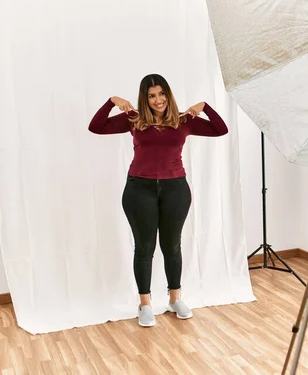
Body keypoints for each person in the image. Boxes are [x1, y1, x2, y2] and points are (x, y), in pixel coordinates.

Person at [88, 74, 228, 327]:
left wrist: (204, 107)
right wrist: (111, 101)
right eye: (151, 95)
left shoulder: (185, 121)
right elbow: (96, 127)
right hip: (139, 190)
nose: (158, 100)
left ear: (168, 94)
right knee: (145, 248)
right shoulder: (134, 119)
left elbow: (221, 130)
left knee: (172, 246)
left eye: (161, 94)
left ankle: (175, 298)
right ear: (145, 98)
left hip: (176, 189)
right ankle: (145, 304)